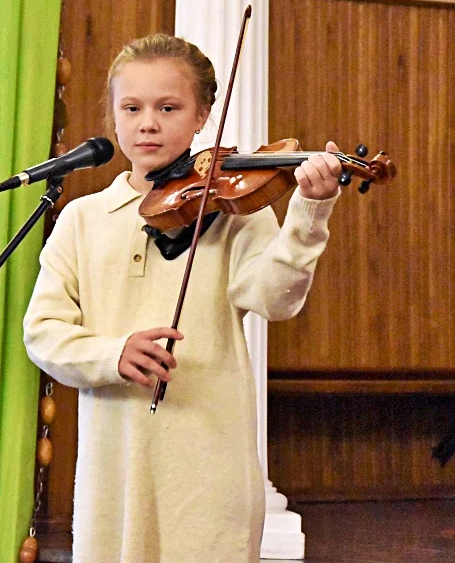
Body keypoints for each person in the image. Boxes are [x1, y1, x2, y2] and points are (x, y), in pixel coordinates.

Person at [23, 33, 342, 562]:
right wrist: (112, 353)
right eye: (132, 107)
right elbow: (43, 333)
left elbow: (277, 299)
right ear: (114, 116)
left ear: (202, 115)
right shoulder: (81, 219)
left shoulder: (234, 209)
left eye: (168, 107)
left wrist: (310, 213)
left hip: (208, 469)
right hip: (114, 478)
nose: (148, 122)